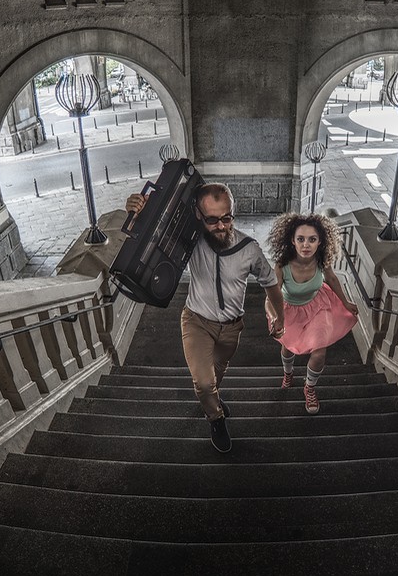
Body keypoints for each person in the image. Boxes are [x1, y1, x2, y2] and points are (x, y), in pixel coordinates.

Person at [125, 183, 285, 453]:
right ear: (198, 215)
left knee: (216, 376)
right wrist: (138, 215)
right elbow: (149, 242)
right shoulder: (190, 242)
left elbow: (270, 283)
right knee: (204, 382)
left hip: (232, 329)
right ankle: (216, 419)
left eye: (226, 218)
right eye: (212, 220)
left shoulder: (249, 249)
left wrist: (280, 317)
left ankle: (213, 400)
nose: (221, 226)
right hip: (196, 322)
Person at [265, 213, 359, 415]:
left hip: (317, 307)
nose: (306, 245)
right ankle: (288, 374)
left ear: (320, 242)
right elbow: (270, 299)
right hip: (288, 311)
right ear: (292, 240)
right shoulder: (282, 266)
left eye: (312, 239)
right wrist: (275, 318)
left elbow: (332, 279)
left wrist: (345, 302)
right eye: (300, 239)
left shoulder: (321, 261)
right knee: (288, 348)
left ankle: (309, 387)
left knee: (319, 351)